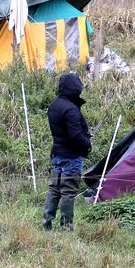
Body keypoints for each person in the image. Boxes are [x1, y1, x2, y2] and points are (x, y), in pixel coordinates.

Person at [43, 72, 91, 231]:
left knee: (54, 190)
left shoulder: (54, 105)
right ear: (75, 88)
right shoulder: (71, 109)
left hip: (57, 154)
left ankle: (46, 223)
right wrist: (87, 144)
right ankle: (66, 228)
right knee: (68, 193)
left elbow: (65, 131)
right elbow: (74, 135)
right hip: (71, 157)